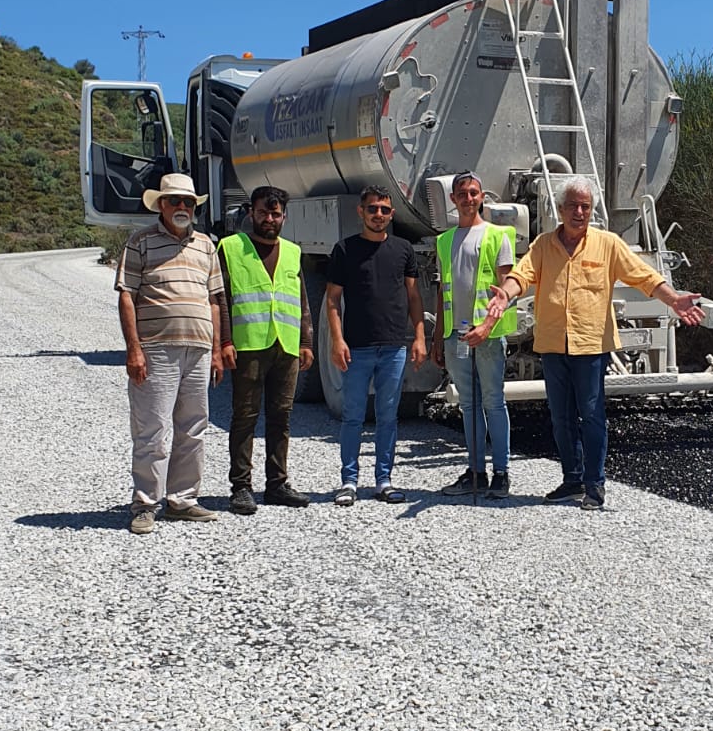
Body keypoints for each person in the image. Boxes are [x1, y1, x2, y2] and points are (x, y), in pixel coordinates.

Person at [482, 176, 705, 511]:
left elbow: (643, 276)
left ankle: (594, 485)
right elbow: (522, 276)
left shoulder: (608, 243)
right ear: (559, 209)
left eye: (586, 206)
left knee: (591, 414)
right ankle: (571, 479)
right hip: (554, 344)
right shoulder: (543, 245)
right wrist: (505, 296)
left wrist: (673, 299)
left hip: (591, 346)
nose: (580, 211)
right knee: (560, 417)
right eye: (573, 205)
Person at [115, 172, 226, 534]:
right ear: (161, 205)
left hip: (198, 349)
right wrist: (134, 349)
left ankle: (182, 500)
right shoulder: (140, 242)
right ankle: (145, 504)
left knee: (194, 428)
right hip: (156, 349)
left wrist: (216, 351)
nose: (182, 207)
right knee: (153, 429)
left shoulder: (206, 245)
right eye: (175, 200)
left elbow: (213, 301)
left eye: (188, 202)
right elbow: (126, 296)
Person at [326, 184, 427, 506]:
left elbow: (413, 297)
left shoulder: (403, 250)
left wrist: (420, 336)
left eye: (384, 209)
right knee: (353, 416)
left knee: (388, 417)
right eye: (373, 209)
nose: (379, 215)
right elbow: (332, 301)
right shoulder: (344, 250)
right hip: (357, 347)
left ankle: (384, 480)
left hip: (394, 347)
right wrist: (337, 340)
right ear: (361, 211)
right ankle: (349, 481)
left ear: (391, 213)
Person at [218, 186, 315, 515]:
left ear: (284, 217)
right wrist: (224, 342)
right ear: (251, 213)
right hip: (248, 345)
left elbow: (301, 302)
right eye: (263, 212)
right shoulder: (231, 248)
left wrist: (306, 342)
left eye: (276, 214)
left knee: (281, 417)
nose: (269, 219)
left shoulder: (292, 251)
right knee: (245, 417)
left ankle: (277, 483)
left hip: (285, 345)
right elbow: (221, 300)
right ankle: (241, 487)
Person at [431, 171, 516, 497]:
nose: (468, 198)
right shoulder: (444, 241)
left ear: (482, 197)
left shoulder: (497, 236)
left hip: (489, 335)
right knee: (468, 404)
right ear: (453, 199)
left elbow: (507, 288)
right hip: (458, 335)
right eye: (462, 193)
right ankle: (475, 471)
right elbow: (443, 293)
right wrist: (439, 337)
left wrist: (488, 327)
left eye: (474, 193)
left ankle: (501, 473)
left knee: (494, 402)